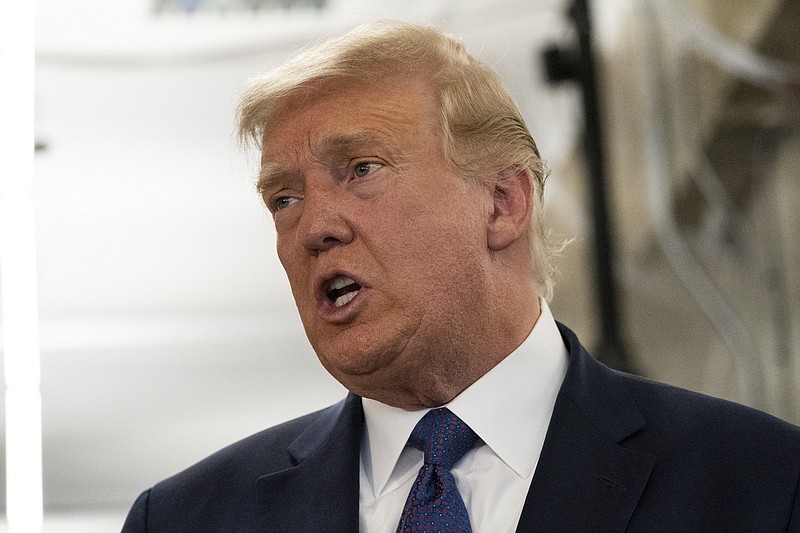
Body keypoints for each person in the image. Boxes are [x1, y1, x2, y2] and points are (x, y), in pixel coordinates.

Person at [121, 20, 800, 532]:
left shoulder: (761, 483)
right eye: (284, 198)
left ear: (502, 203)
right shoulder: (187, 518)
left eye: (361, 169)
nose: (313, 227)